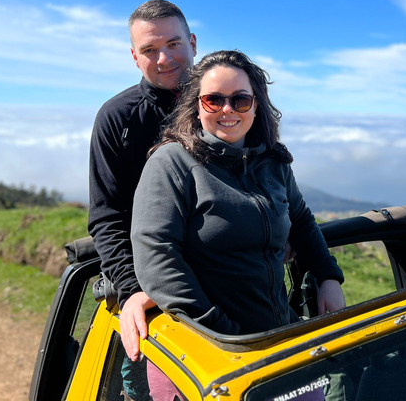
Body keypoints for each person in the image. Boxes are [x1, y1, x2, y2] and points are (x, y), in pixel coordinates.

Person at [131, 50, 346, 337]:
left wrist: (328, 276)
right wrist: (224, 333)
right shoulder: (172, 163)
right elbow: (158, 260)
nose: (227, 109)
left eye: (241, 100)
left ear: (256, 107)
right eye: (214, 99)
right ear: (196, 106)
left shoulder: (272, 162)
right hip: (213, 351)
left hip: (279, 335)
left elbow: (302, 220)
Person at [88, 0, 197, 363]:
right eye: (149, 50)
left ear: (193, 43)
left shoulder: (226, 105)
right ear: (135, 57)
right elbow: (106, 217)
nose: (164, 59)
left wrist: (319, 266)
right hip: (149, 296)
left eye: (174, 44)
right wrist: (136, 292)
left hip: (227, 278)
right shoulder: (117, 118)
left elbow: (271, 183)